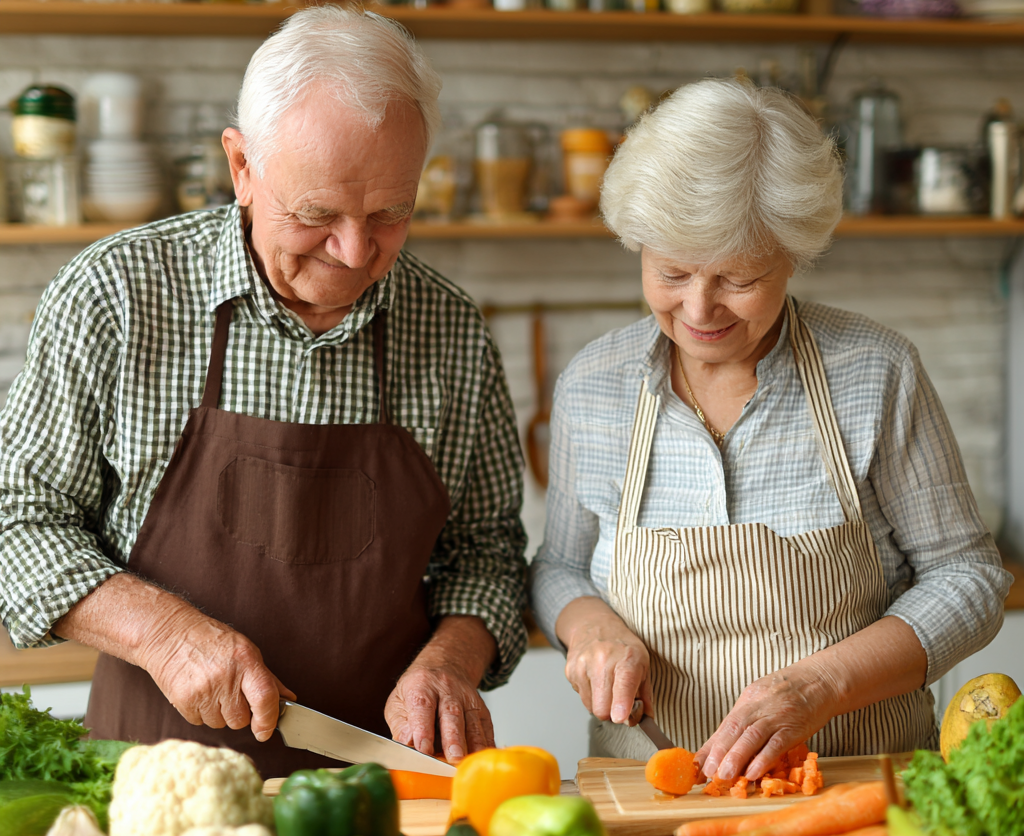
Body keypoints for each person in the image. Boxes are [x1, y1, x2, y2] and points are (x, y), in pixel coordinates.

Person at [0, 5, 527, 776]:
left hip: (379, 789)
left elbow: (488, 554)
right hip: (158, 780)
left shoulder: (447, 326)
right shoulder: (116, 293)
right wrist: (167, 636)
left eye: (391, 213)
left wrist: (450, 661)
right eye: (316, 215)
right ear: (241, 168)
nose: (353, 252)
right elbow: (19, 521)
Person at [530, 79, 1010, 780]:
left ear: (793, 251)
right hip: (654, 794)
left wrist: (820, 686)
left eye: (739, 278)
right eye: (672, 272)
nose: (699, 308)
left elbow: (969, 578)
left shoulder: (875, 372)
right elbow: (559, 567)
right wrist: (589, 626)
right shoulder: (593, 384)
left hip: (854, 785)